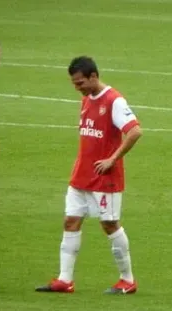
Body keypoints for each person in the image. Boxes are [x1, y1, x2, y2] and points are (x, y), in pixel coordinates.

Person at [36, 56, 142, 295]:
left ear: (93, 76)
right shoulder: (86, 99)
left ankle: (127, 280)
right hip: (81, 176)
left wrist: (112, 159)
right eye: (74, 83)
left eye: (80, 83)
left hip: (105, 179)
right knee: (70, 221)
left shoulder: (114, 101)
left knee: (109, 224)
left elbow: (135, 131)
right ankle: (65, 280)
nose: (77, 88)